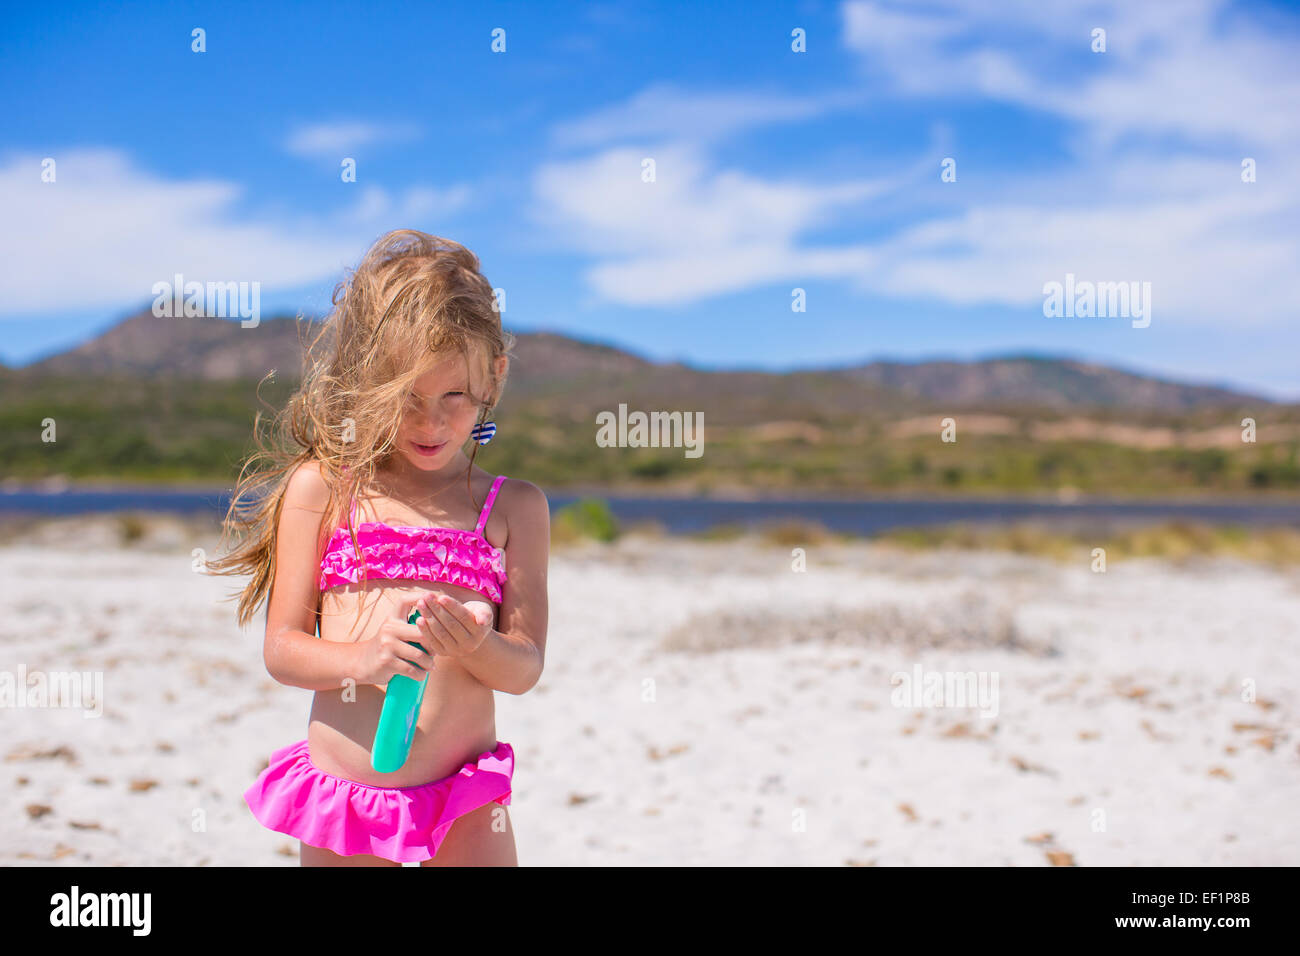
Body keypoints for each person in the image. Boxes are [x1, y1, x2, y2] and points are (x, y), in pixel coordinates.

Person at [207, 229, 550, 865]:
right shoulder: (324, 489)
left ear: (493, 379)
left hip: (465, 804)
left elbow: (524, 668)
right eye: (407, 398)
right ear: (367, 381)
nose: (432, 422)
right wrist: (366, 659)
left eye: (454, 395)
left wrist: (477, 644)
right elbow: (282, 650)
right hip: (349, 801)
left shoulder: (513, 508)